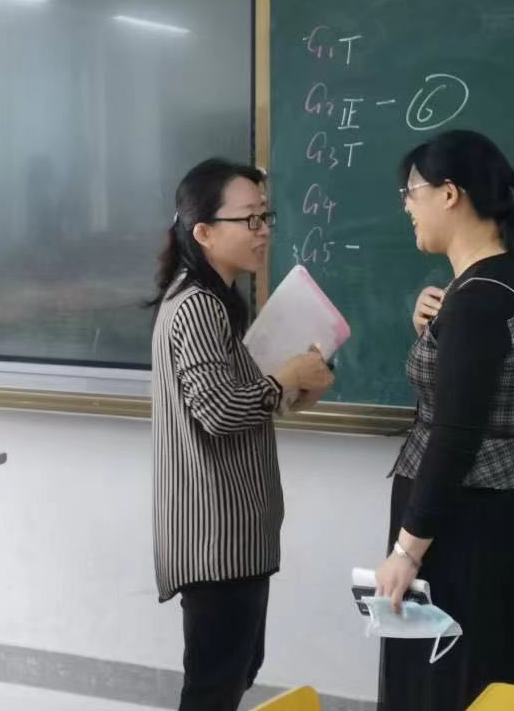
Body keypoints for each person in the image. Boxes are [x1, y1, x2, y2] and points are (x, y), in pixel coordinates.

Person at [375, 130, 514, 711]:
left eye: (411, 192)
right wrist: (436, 330)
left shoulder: (477, 302)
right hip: (505, 513)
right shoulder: (504, 277)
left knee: (449, 684)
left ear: (449, 194)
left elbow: (454, 439)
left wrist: (406, 552)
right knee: (499, 675)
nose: (406, 206)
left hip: (463, 527)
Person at [150, 157, 333, 711]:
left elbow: (241, 398)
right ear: (203, 232)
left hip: (235, 534)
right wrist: (285, 380)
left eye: (265, 216)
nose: (263, 231)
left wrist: (296, 386)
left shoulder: (217, 301)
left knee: (231, 677)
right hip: (216, 538)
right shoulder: (198, 306)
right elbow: (220, 411)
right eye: (248, 219)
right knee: (214, 691)